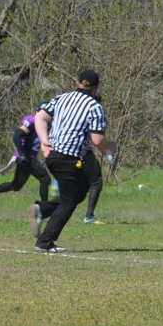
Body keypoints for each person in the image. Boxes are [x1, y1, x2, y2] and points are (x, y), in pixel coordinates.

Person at [30, 70, 118, 253]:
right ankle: (44, 242)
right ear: (96, 87)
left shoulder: (61, 98)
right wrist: (111, 146)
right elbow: (97, 140)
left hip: (54, 156)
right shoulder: (94, 106)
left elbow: (39, 117)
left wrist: (45, 141)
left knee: (80, 191)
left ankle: (43, 209)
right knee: (69, 202)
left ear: (77, 82)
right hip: (68, 158)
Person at [0, 111, 51, 206]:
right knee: (45, 179)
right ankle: (45, 208)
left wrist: (48, 158)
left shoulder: (47, 126)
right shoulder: (32, 121)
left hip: (29, 157)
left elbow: (48, 143)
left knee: (15, 186)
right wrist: (22, 154)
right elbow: (17, 135)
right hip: (26, 157)